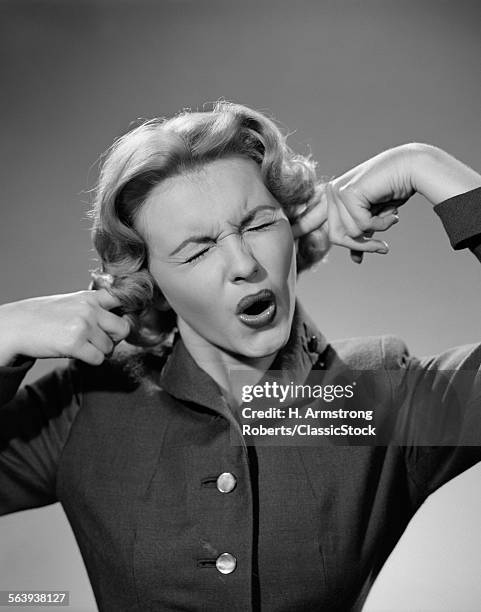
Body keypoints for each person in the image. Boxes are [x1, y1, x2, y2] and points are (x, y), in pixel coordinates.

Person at [1, 101, 481, 611]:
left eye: (257, 225)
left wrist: (423, 164)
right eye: (197, 250)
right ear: (150, 282)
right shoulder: (86, 403)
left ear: (294, 227)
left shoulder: (381, 396)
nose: (244, 264)